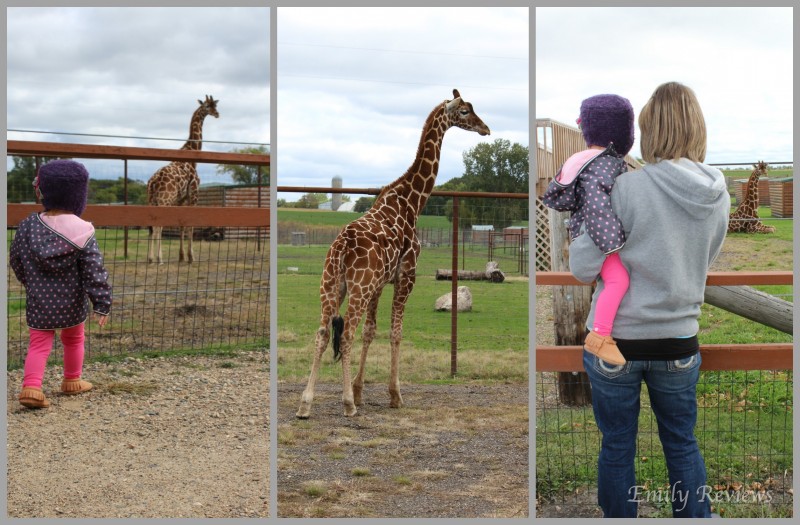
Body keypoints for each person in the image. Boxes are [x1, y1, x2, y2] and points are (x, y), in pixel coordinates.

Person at [568, 82, 729, 518]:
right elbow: (703, 259)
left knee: (617, 446)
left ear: (648, 130)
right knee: (682, 443)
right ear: (697, 126)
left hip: (615, 342)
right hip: (679, 339)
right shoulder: (717, 193)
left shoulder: (626, 189)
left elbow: (583, 266)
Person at [10, 159, 113, 409]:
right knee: (75, 338)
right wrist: (102, 302)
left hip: (39, 301)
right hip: (72, 303)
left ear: (42, 191)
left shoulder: (27, 226)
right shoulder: (84, 230)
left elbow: (16, 259)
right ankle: (71, 380)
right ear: (79, 196)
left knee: (39, 343)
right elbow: (93, 269)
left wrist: (31, 282)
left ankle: (32, 387)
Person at [542, 94, 635, 366]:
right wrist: (613, 242)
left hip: (589, 233)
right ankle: (600, 337)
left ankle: (602, 333)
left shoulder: (585, 160)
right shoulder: (603, 162)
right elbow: (596, 204)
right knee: (619, 281)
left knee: (615, 281)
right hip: (598, 237)